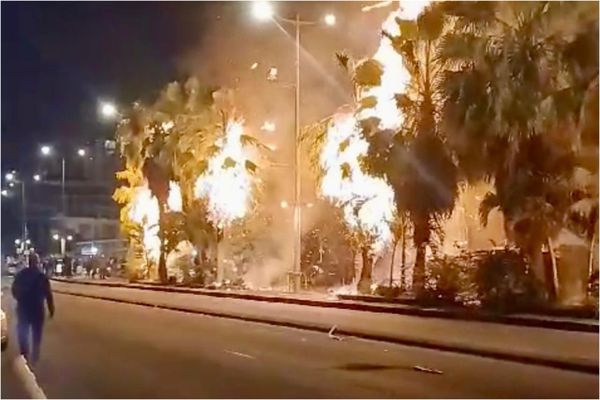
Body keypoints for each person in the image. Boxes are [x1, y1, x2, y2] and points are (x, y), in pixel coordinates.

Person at [11, 253, 55, 364]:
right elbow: (48, 294)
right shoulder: (41, 276)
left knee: (23, 330)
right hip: (37, 308)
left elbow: (14, 289)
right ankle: (35, 353)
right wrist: (51, 309)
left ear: (29, 262)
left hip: (23, 308)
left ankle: (24, 352)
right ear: (37, 262)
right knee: (37, 332)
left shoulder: (21, 275)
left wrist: (19, 298)